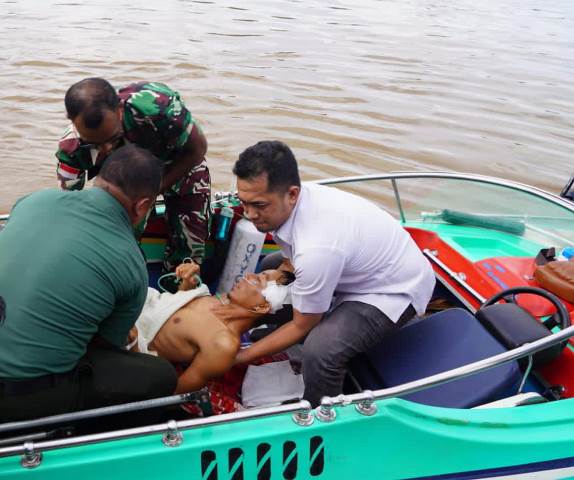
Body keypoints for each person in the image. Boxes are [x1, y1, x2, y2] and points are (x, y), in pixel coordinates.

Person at [232, 140, 436, 406]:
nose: (249, 214)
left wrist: (239, 358)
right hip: (347, 268)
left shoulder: (317, 247)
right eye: (243, 203)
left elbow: (302, 323)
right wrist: (274, 280)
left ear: (292, 194)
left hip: (389, 289)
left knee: (320, 350)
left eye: (259, 205)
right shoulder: (293, 205)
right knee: (271, 267)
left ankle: (321, 415)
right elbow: (290, 263)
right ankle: (280, 329)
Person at [0, 145, 177, 422]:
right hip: (19, 398)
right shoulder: (130, 262)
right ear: (143, 205)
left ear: (98, 179)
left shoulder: (33, 200)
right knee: (160, 375)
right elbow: (102, 347)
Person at [56, 78, 211, 270]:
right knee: (119, 246)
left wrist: (154, 190)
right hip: (125, 182)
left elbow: (197, 149)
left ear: (120, 109)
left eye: (113, 138)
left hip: (177, 163)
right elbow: (70, 204)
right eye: (96, 144)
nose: (107, 148)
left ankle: (179, 290)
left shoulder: (161, 110)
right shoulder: (72, 147)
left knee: (189, 250)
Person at [132, 263, 293, 394]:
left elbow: (176, 396)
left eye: (258, 280)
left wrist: (132, 345)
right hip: (136, 302)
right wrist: (188, 281)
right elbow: (174, 313)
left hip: (129, 337)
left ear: (262, 307)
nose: (248, 275)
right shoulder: (218, 300)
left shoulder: (222, 344)